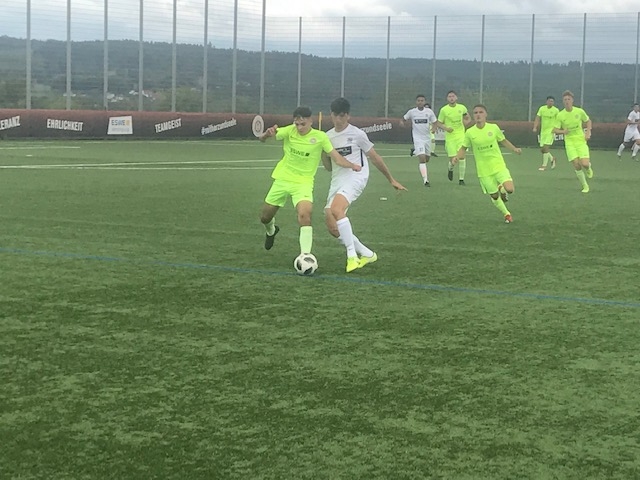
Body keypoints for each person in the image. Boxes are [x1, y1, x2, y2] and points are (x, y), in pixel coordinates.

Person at [258, 106, 361, 257]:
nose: (299, 127)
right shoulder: (289, 131)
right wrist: (266, 134)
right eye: (297, 124)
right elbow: (261, 139)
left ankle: (305, 255)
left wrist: (352, 165)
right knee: (265, 217)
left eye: (303, 124)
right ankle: (271, 231)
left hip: (303, 183)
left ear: (311, 121)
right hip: (282, 179)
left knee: (305, 215)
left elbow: (336, 157)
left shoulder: (320, 137)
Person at [323, 97, 408, 272]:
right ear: (331, 115)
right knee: (332, 227)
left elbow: (375, 157)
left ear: (348, 116)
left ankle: (352, 256)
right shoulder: (328, 137)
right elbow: (328, 167)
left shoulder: (357, 134)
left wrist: (391, 179)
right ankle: (367, 254)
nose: (338, 119)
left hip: (357, 176)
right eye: (335, 115)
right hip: (338, 179)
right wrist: (323, 153)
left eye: (342, 116)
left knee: (337, 210)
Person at [452, 104, 522, 223]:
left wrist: (514, 149)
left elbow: (503, 140)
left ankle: (502, 189)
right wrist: (457, 157)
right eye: (475, 113)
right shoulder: (470, 132)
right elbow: (463, 148)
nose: (478, 115)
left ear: (486, 114)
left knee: (510, 189)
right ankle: (507, 214)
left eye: (481, 112)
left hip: (498, 164)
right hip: (483, 169)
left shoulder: (493, 128)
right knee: (494, 196)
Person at [401, 95, 449, 186]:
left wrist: (434, 128)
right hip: (417, 138)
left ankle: (414, 151)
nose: (420, 102)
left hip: (427, 138)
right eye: (418, 100)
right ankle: (426, 180)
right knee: (422, 159)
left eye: (422, 100)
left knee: (427, 159)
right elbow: (403, 119)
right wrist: (402, 124)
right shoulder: (412, 112)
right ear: (416, 102)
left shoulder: (429, 112)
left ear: (424, 102)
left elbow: (435, 122)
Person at [552, 90, 594, 194]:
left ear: (572, 100)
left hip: (580, 140)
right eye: (565, 99)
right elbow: (554, 130)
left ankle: (588, 167)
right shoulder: (560, 115)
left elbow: (588, 121)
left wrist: (588, 132)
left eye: (568, 99)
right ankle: (585, 185)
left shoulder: (579, 111)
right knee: (576, 164)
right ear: (563, 101)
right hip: (569, 142)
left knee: (584, 163)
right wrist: (563, 131)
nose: (567, 101)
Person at [438, 90, 472, 185]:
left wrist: (465, 123)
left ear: (456, 97)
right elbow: (439, 123)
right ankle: (450, 168)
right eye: (449, 96)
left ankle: (461, 179)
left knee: (462, 156)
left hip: (461, 135)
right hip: (450, 137)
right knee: (453, 159)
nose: (451, 98)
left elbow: (468, 118)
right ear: (447, 99)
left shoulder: (462, 108)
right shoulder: (444, 110)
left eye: (453, 96)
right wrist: (446, 128)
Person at [532, 96, 559, 171]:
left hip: (551, 131)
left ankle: (544, 166)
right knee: (542, 149)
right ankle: (552, 159)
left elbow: (559, 120)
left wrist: (556, 129)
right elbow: (537, 118)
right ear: (546, 101)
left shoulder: (556, 110)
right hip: (543, 131)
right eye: (549, 101)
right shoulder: (542, 109)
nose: (551, 102)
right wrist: (535, 127)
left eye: (552, 101)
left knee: (546, 147)